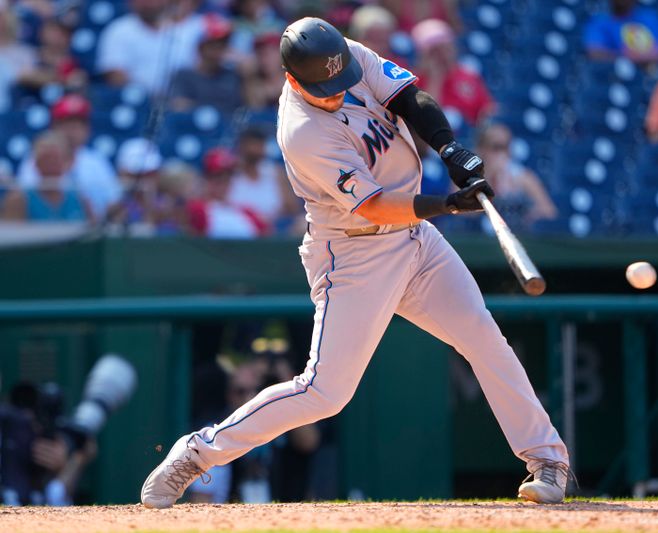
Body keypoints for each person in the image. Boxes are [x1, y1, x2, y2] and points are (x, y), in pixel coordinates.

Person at [141, 17, 570, 509]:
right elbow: (374, 205)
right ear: (291, 79)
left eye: (338, 80)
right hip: (355, 251)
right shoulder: (302, 132)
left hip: (414, 238)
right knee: (325, 391)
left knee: (484, 338)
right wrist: (448, 205)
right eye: (324, 88)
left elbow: (409, 99)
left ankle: (547, 459)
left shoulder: (342, 53)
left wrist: (450, 149)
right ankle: (195, 455)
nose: (337, 91)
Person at [188, 359, 320, 503]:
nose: (249, 398)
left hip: (282, 506)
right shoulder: (216, 431)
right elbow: (200, 499)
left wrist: (288, 381)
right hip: (235, 512)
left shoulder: (280, 421)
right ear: (228, 394)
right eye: (240, 392)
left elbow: (309, 442)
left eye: (256, 391)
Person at [17, 94, 122, 218]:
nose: (71, 131)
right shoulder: (35, 157)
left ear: (87, 129)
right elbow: (25, 199)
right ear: (54, 126)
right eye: (65, 124)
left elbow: (114, 203)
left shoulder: (97, 162)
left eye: (77, 125)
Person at [96, 0, 198, 95]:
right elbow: (115, 76)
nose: (147, 3)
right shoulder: (119, 29)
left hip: (181, 99)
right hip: (137, 99)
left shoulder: (189, 29)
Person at [411, 18, 494, 127]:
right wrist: (435, 79)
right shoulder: (413, 81)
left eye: (446, 48)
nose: (442, 55)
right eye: (434, 51)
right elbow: (427, 118)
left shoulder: (468, 76)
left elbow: (487, 110)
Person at [475, 122, 557, 227]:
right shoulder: (468, 175)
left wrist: (529, 213)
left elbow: (549, 212)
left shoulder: (522, 177)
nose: (501, 153)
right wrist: (489, 178)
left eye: (505, 147)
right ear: (482, 149)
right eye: (496, 147)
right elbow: (460, 216)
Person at [1, 131, 93, 223]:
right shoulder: (18, 200)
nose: (50, 165)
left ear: (68, 162)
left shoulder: (80, 200)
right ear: (35, 163)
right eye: (45, 159)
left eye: (55, 160)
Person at [186, 146, 269, 238]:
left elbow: (266, 234)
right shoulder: (199, 209)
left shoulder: (246, 212)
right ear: (207, 179)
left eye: (228, 177)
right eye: (218, 176)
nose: (224, 182)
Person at [228, 126, 301, 229]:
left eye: (260, 145)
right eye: (252, 145)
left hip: (273, 229)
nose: (256, 149)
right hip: (239, 228)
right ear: (241, 147)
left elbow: (293, 208)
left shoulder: (275, 172)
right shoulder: (230, 173)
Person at [170, 14, 244, 115]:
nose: (218, 52)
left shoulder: (232, 76)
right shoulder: (184, 76)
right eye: (213, 46)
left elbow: (246, 110)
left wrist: (249, 74)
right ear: (200, 48)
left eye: (222, 45)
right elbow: (178, 106)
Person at [583, 0, 658, 66]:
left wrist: (631, 55)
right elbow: (595, 54)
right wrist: (628, 56)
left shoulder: (650, 18)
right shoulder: (599, 22)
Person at [242, 30, 284, 110]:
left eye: (269, 54)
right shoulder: (252, 84)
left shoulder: (293, 82)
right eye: (260, 55)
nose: (265, 60)